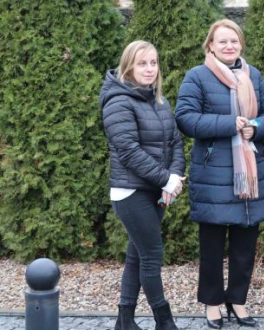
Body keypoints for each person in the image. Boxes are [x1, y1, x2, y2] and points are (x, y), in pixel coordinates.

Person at [175, 19, 264, 329]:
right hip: (214, 175)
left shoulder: (254, 75)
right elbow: (186, 118)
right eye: (222, 42)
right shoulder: (197, 76)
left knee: (245, 243)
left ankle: (238, 301)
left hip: (250, 174)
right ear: (211, 46)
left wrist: (256, 127)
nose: (229, 46)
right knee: (211, 245)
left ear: (241, 44)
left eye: (234, 41)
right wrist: (229, 123)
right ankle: (212, 303)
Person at [100, 40, 185, 330]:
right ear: (128, 66)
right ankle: (165, 322)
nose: (150, 69)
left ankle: (125, 321)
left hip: (157, 191)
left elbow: (176, 142)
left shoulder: (159, 100)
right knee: (152, 255)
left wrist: (172, 179)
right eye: (142, 63)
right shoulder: (118, 101)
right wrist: (166, 178)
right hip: (130, 191)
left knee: (136, 254)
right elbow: (128, 151)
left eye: (153, 63)